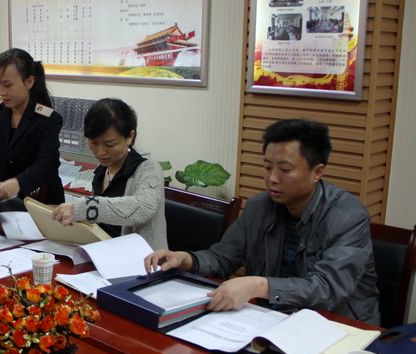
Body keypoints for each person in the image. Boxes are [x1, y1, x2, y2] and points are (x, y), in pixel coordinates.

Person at [145, 119, 380, 325]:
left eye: (285, 169)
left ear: (317, 172)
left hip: (336, 326)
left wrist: (259, 286)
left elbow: (328, 288)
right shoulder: (260, 206)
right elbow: (223, 257)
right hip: (270, 318)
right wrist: (186, 259)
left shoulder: (348, 217)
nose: (272, 178)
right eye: (267, 167)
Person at [51, 98, 167, 250]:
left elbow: (142, 207)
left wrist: (84, 208)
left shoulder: (149, 170)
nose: (101, 152)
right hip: (104, 253)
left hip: (142, 259)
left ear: (130, 137)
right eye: (94, 143)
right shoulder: (102, 170)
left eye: (110, 144)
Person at [0, 48, 64, 204]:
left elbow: (47, 164)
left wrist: (18, 183)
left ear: (29, 82)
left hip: (41, 199)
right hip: (5, 196)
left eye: (7, 85)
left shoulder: (47, 119)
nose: (2, 92)